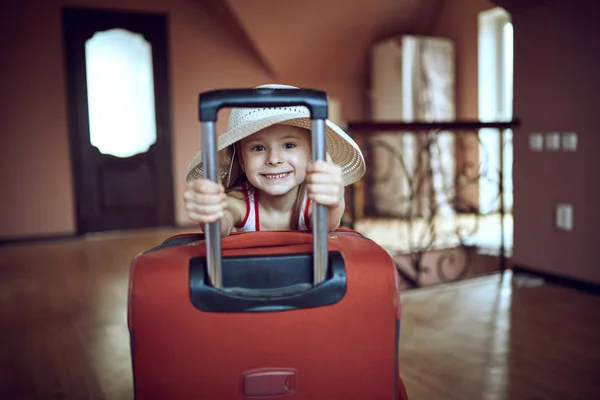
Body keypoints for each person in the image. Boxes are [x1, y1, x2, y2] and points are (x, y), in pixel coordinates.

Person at [184, 84, 366, 236]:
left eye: (288, 145)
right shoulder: (239, 201)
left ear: (311, 154)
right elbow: (221, 223)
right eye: (258, 148)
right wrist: (209, 212)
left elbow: (326, 224)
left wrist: (334, 201)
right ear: (241, 161)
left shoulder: (313, 201)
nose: (274, 159)